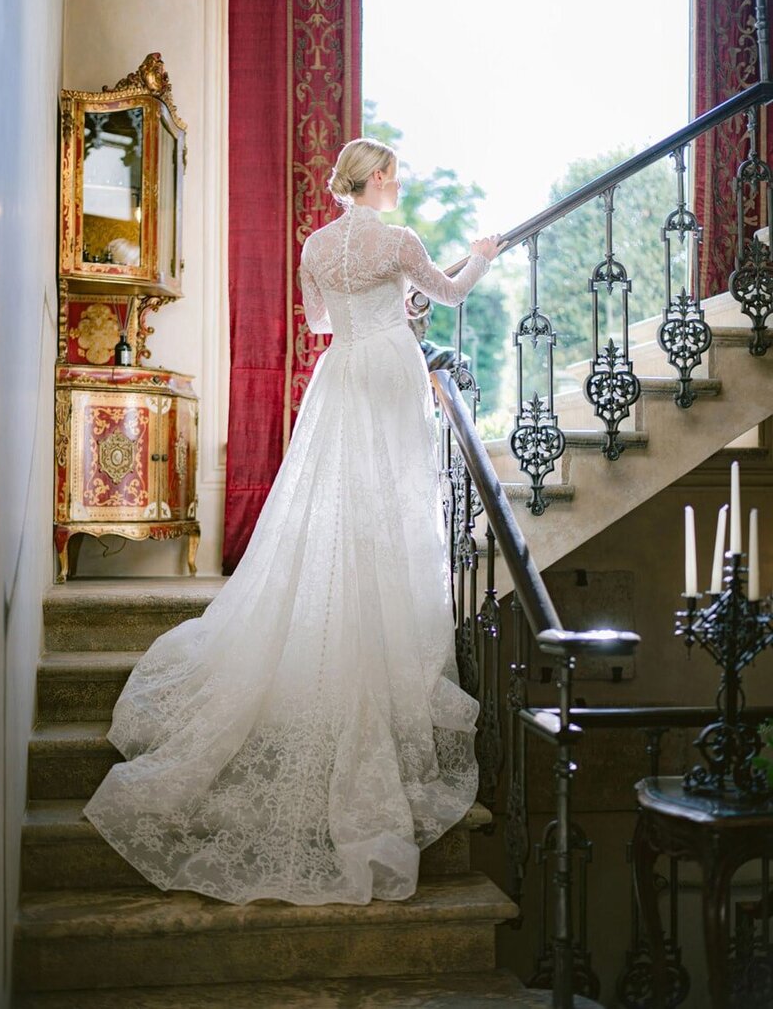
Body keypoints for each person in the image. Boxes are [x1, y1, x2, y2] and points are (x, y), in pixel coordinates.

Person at [83, 137, 499, 907]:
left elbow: (323, 322)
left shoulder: (315, 244)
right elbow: (445, 293)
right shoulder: (399, 240)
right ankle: (385, 639)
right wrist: (481, 255)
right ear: (375, 179)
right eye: (394, 174)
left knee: (343, 507)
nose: (397, 184)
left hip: (341, 374)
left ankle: (342, 625)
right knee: (394, 505)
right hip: (389, 372)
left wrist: (380, 309)